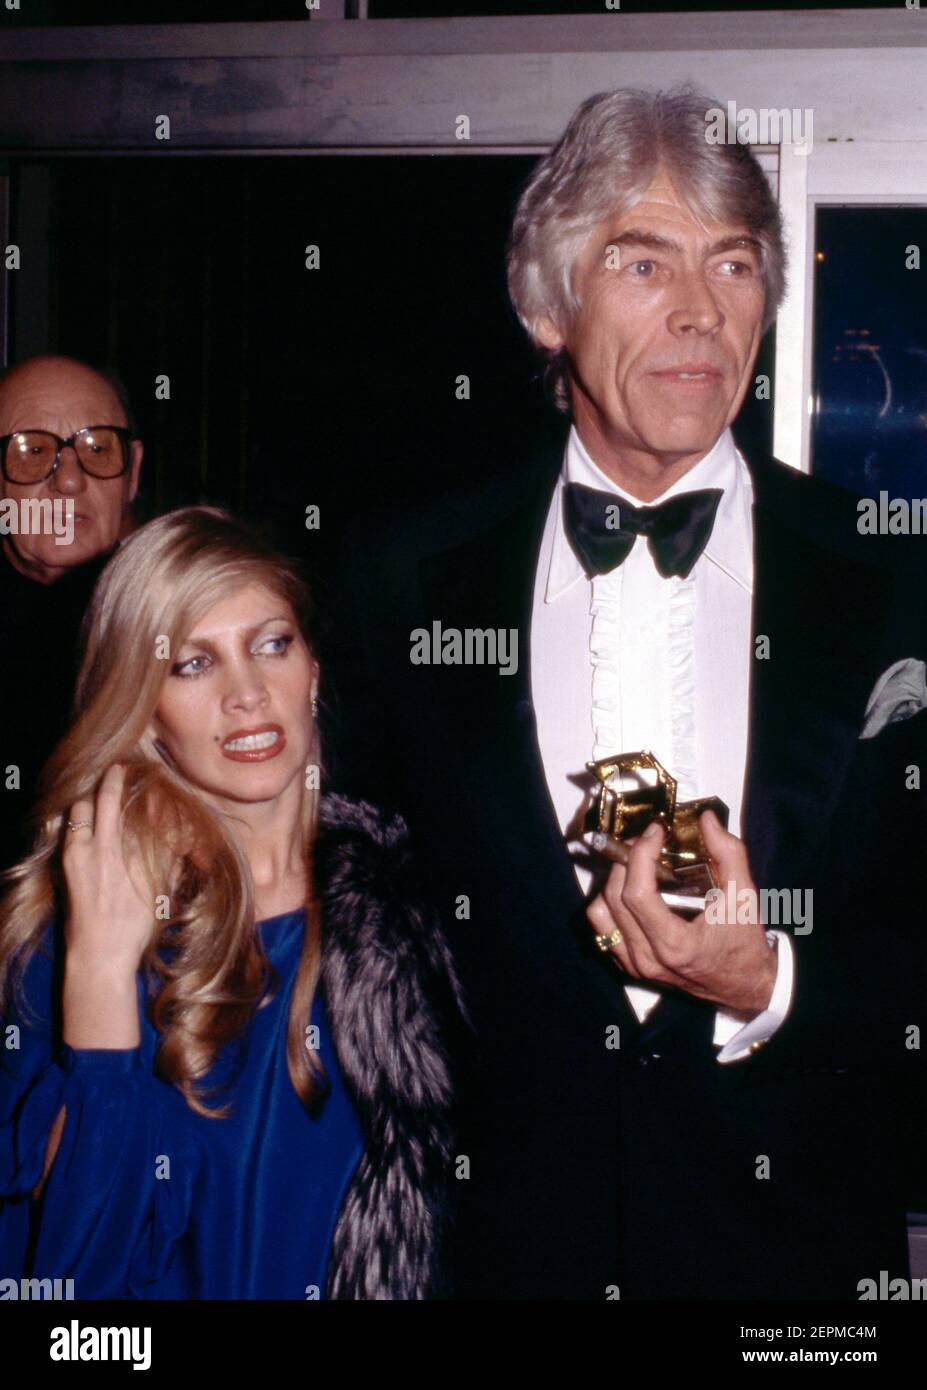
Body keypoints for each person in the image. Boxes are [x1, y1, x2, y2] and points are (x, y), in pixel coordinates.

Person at [322, 85, 927, 1299]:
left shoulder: (894, 576)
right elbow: (350, 916)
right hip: (506, 1265)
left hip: (802, 1279)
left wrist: (774, 985)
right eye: (642, 262)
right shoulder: (399, 577)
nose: (701, 311)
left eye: (735, 264)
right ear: (548, 306)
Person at [0, 506, 463, 1299]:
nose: (246, 695)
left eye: (271, 644)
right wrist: (102, 982)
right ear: (140, 705)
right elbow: (74, 1297)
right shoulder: (74, 929)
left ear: (313, 669)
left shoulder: (417, 908)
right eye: (191, 664)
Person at [0, 354, 144, 871]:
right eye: (32, 450)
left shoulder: (193, 620)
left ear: (133, 474)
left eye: (97, 447)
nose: (67, 481)